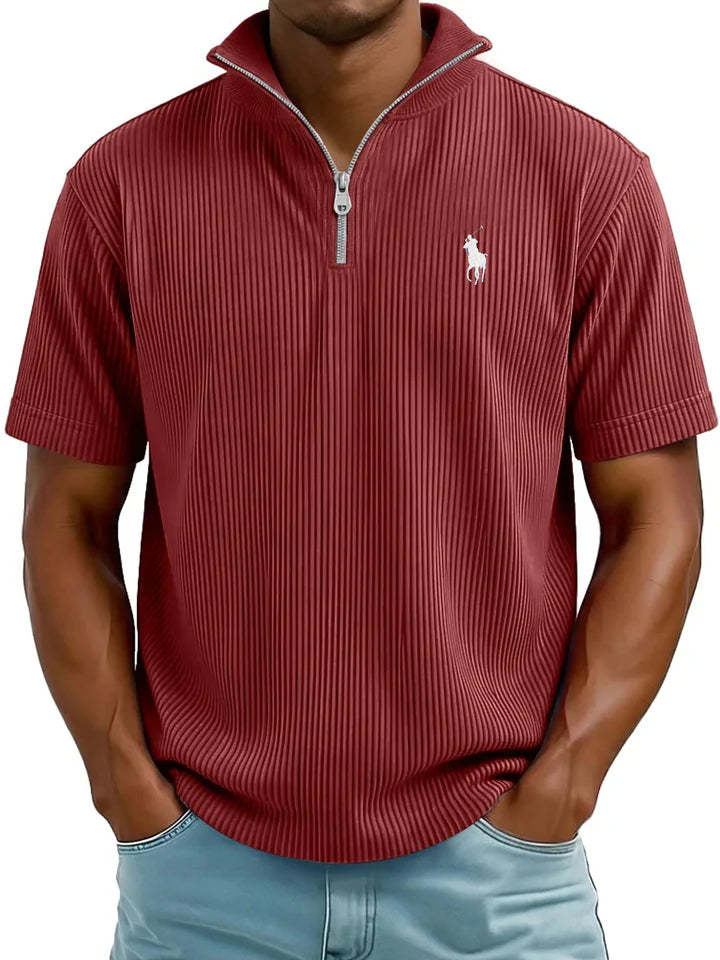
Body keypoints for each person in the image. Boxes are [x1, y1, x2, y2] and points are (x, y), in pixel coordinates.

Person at [6, 1, 716, 957]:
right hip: (203, 887)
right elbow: (66, 513)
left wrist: (565, 785)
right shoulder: (122, 185)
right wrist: (123, 787)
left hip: (496, 890)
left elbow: (656, 509)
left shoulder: (587, 176)